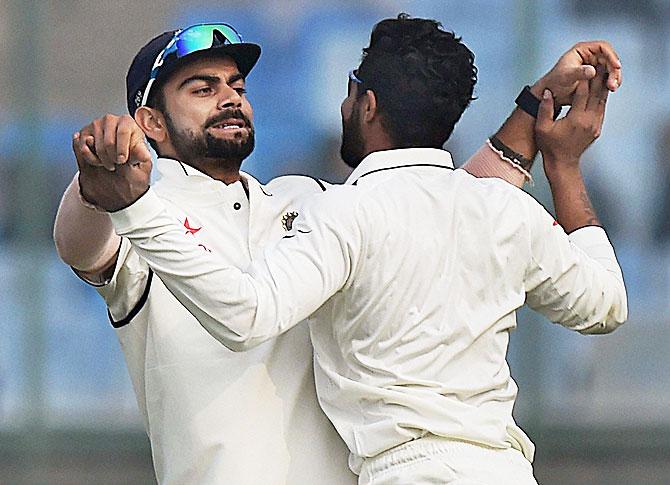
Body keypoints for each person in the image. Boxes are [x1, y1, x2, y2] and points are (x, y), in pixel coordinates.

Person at [54, 18, 623, 485]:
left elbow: (437, 200)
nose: (230, 98)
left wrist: (536, 104)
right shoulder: (142, 222)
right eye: (203, 88)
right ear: (148, 121)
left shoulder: (312, 200)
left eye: (238, 88)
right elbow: (77, 244)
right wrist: (96, 182)